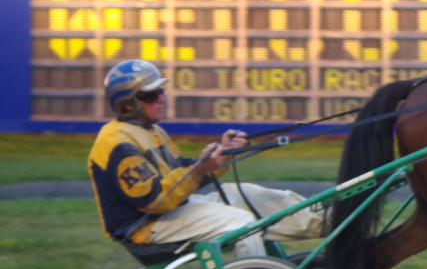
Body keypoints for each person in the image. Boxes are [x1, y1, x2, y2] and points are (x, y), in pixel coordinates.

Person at [88, 59, 325, 258]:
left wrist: (221, 152)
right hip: (146, 227)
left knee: (247, 194)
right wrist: (199, 170)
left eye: (160, 91)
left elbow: (180, 173)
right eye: (150, 95)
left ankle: (327, 221)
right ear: (127, 105)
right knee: (241, 223)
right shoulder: (116, 142)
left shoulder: (150, 130)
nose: (161, 98)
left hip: (174, 210)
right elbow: (154, 200)